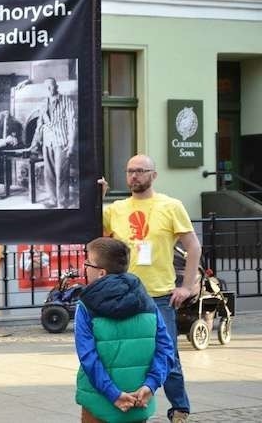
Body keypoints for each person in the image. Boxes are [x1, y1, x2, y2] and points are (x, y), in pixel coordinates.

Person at [99, 154, 202, 423]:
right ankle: (130, 401)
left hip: (159, 296)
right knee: (125, 354)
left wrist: (187, 286)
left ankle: (179, 408)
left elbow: (193, 247)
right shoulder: (116, 208)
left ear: (153, 175)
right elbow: (93, 234)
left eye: (141, 171)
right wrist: (98, 197)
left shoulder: (171, 206)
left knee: (167, 355)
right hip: (124, 295)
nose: (134, 176)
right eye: (130, 171)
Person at [75, 237, 174, 423]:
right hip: (139, 399)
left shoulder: (86, 305)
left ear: (101, 273)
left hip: (99, 402)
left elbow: (87, 356)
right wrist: (151, 385)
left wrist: (113, 394)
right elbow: (166, 348)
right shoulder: (147, 302)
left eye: (87, 263)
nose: (85, 267)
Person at [28, 77, 77, 208]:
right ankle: (52, 200)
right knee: (48, 173)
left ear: (56, 87)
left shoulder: (66, 100)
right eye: (47, 87)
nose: (49, 89)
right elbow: (40, 125)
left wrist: (71, 144)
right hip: (47, 142)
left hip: (61, 142)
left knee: (61, 172)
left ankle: (62, 201)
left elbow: (72, 124)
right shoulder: (43, 103)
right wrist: (34, 143)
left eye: (51, 86)